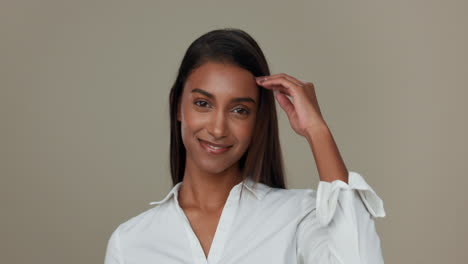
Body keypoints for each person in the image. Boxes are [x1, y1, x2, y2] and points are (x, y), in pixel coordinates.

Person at [104, 28, 386, 264]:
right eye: (203, 104)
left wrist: (317, 130)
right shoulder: (131, 242)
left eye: (239, 110)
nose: (217, 129)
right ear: (179, 105)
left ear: (258, 120)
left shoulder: (298, 217)